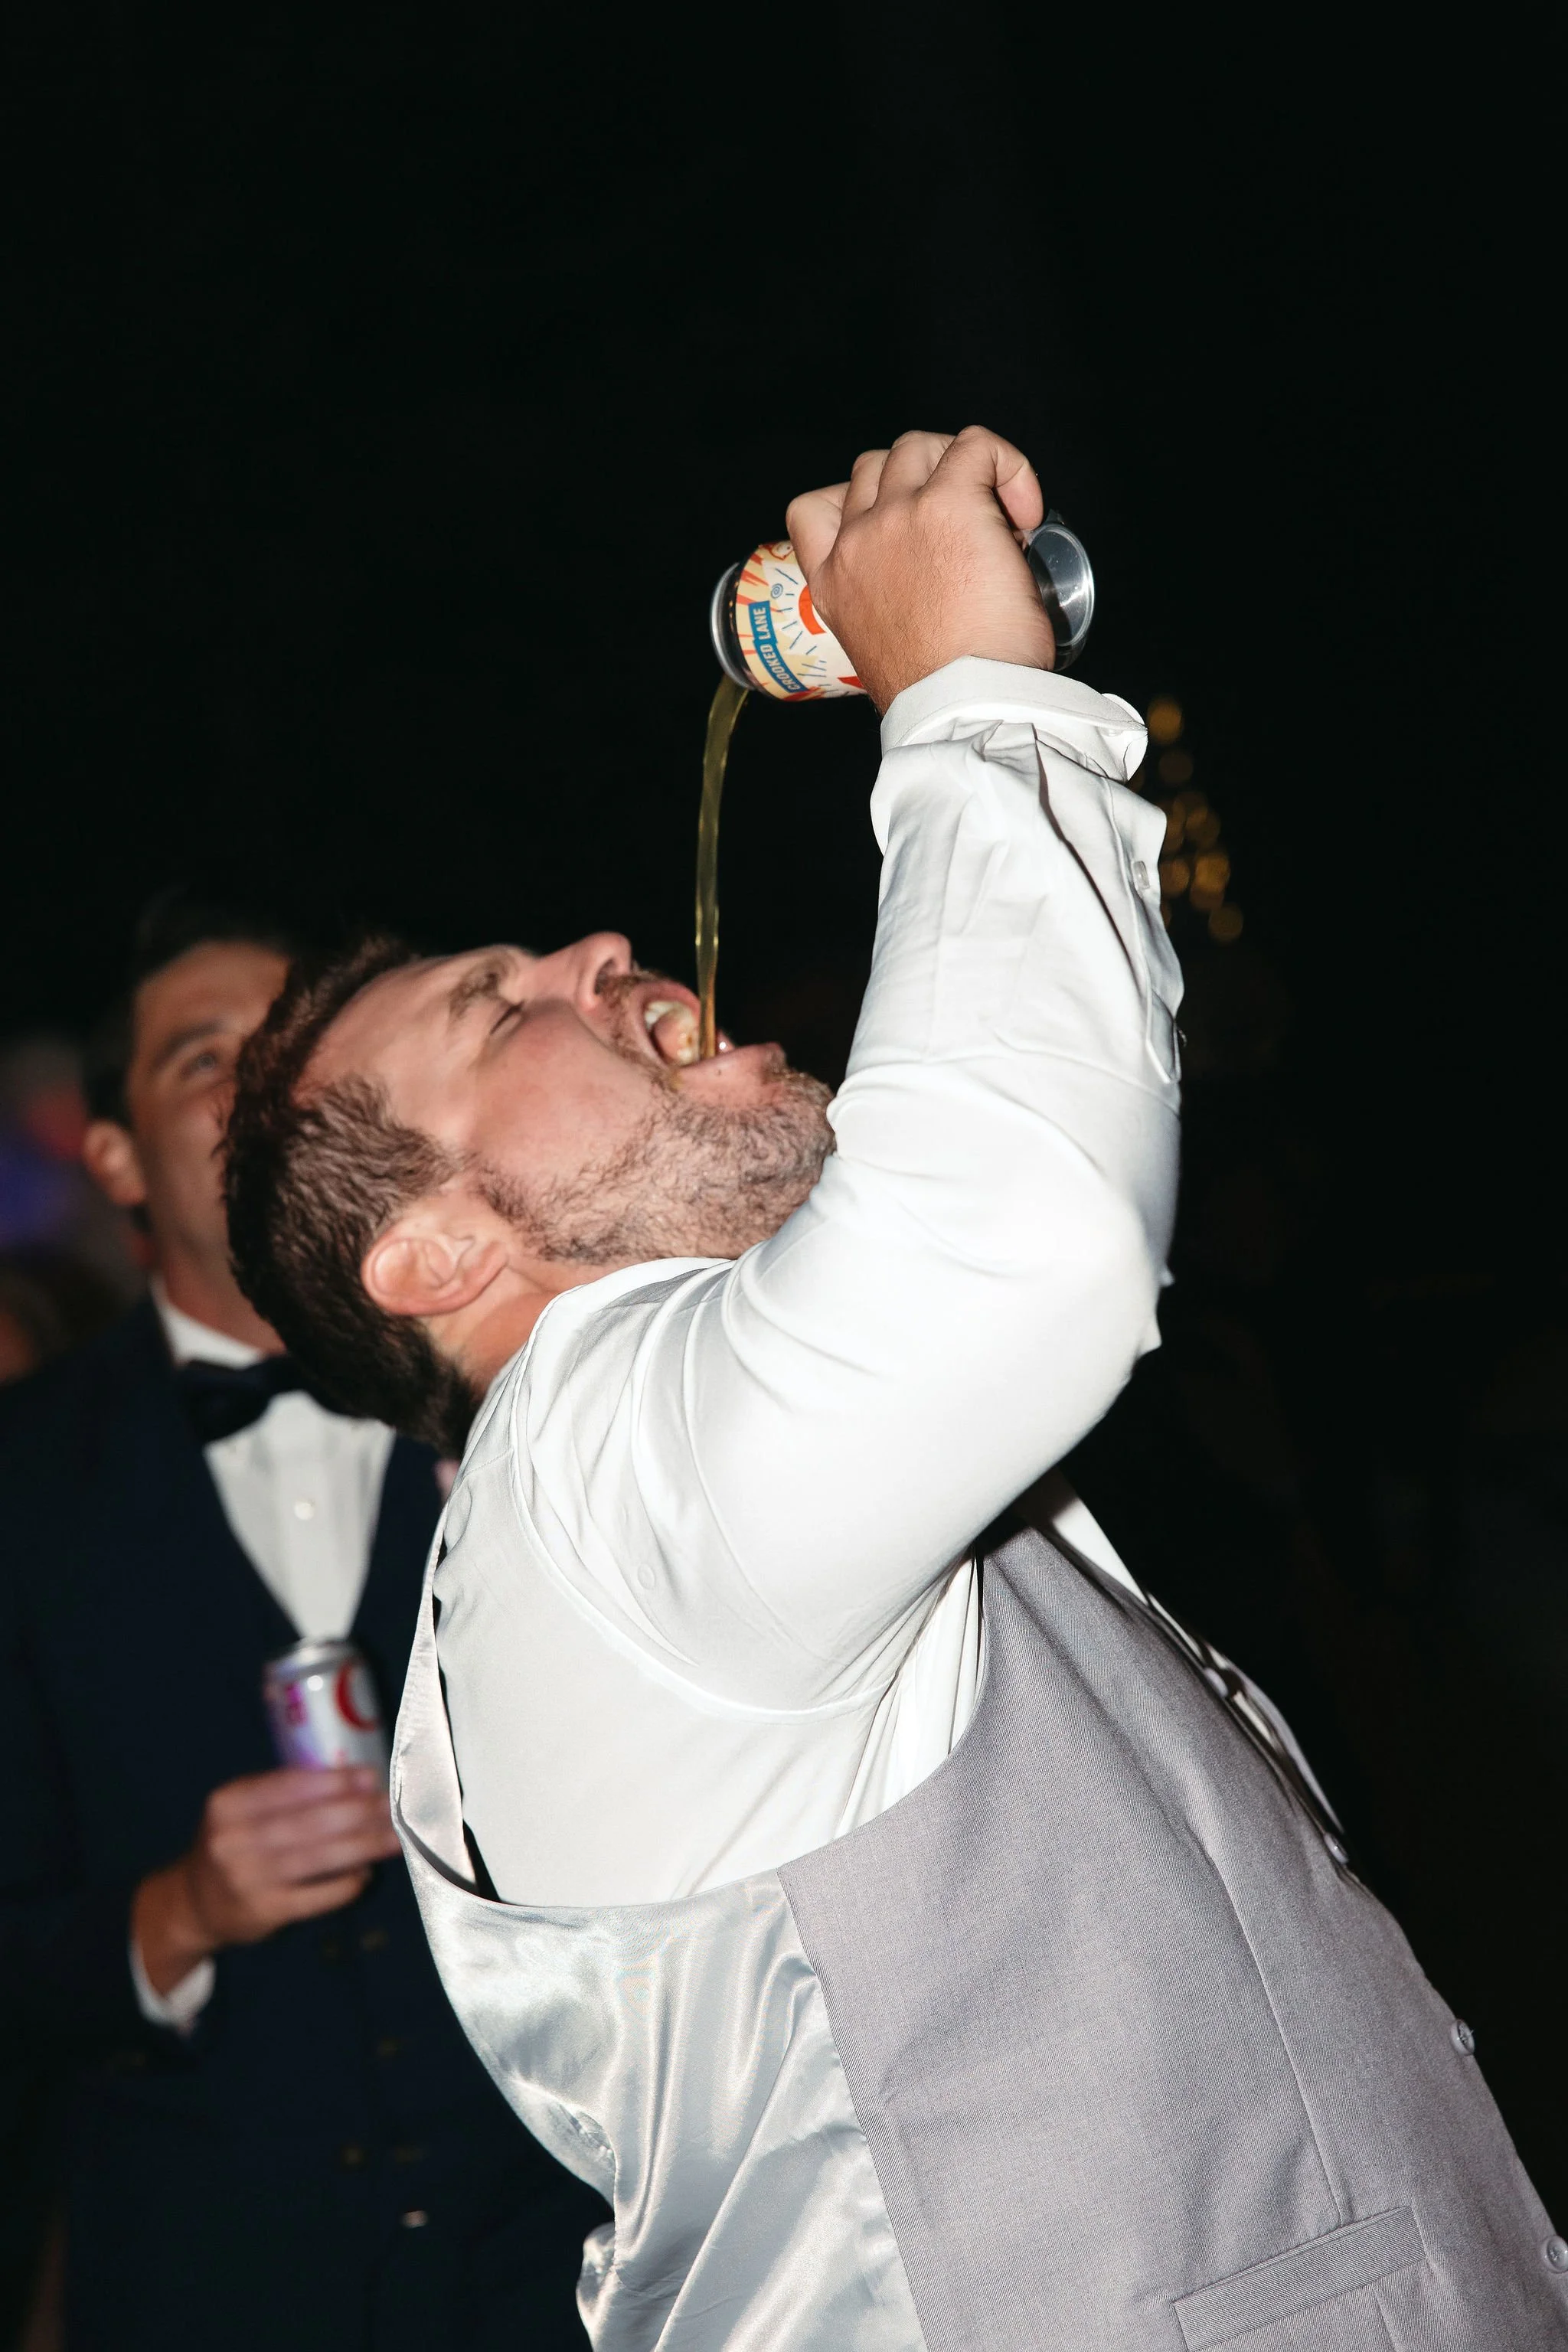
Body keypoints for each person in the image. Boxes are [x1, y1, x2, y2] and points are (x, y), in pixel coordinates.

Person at [223, 430, 1565, 2350]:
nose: (599, 949)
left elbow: (1043, 1129)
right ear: (436, 1260)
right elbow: (1017, 1216)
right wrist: (964, 693)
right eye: (495, 1006)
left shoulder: (681, 1469)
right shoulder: (595, 1477)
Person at [0, 899, 604, 2350]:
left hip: (573, 2266)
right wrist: (170, 1917)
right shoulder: (20, 1480)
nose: (254, 1081)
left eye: (283, 1042)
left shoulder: (534, 1376)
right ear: (117, 1156)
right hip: (215, 2283)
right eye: (205, 1057)